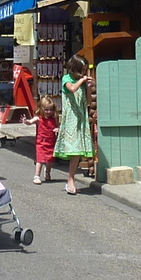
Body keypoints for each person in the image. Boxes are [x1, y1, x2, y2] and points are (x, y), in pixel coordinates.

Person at [56, 55, 94, 194]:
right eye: (81, 70)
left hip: (81, 118)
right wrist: (82, 81)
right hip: (71, 119)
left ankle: (70, 179)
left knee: (78, 150)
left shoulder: (82, 82)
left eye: (85, 71)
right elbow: (71, 89)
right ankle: (70, 179)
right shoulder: (67, 79)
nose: (83, 73)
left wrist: (88, 87)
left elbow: (88, 101)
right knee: (73, 148)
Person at [32, 93, 58, 184]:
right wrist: (26, 121)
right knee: (40, 159)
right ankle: (36, 176)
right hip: (41, 142)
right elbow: (30, 122)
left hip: (51, 142)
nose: (48, 112)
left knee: (50, 160)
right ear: (41, 109)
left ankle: (47, 172)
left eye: (50, 110)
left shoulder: (54, 118)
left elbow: (57, 127)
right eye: (46, 110)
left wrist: (57, 129)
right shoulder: (38, 118)